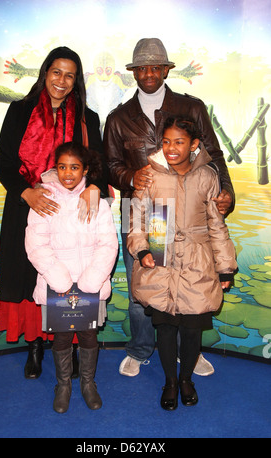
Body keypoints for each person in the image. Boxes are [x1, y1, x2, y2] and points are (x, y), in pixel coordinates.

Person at [103, 38, 235, 378]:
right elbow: (110, 166)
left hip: (190, 208)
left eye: (155, 67)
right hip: (146, 212)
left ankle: (184, 352)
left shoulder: (191, 107)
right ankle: (140, 348)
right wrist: (134, 177)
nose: (148, 73)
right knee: (143, 285)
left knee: (191, 280)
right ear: (133, 72)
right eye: (141, 68)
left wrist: (226, 191)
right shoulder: (118, 118)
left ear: (166, 69)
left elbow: (214, 155)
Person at [0, 46, 108, 380]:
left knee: (71, 274)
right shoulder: (19, 111)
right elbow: (3, 163)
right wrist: (27, 192)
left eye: (69, 75)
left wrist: (94, 187)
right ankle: (34, 346)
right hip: (27, 204)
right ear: (45, 73)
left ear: (77, 81)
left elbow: (98, 165)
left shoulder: (88, 119)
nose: (61, 80)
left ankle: (72, 345)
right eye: (56, 72)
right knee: (32, 273)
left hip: (73, 215)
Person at [127, 116, 237, 410]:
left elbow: (217, 225)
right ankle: (170, 382)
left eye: (179, 142)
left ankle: (186, 378)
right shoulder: (149, 175)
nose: (171, 148)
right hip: (159, 260)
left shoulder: (208, 176)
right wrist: (141, 250)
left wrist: (225, 266)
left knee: (191, 329)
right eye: (166, 142)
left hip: (197, 264)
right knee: (164, 326)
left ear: (194, 145)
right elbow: (136, 219)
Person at [25, 142, 118, 412]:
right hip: (57, 285)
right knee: (62, 338)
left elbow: (108, 244)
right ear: (55, 168)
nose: (67, 173)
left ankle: (88, 383)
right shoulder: (44, 199)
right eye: (62, 167)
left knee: (89, 336)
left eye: (74, 167)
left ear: (85, 169)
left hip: (91, 283)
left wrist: (93, 279)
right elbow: (35, 244)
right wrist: (58, 278)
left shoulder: (97, 201)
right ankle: (63, 384)